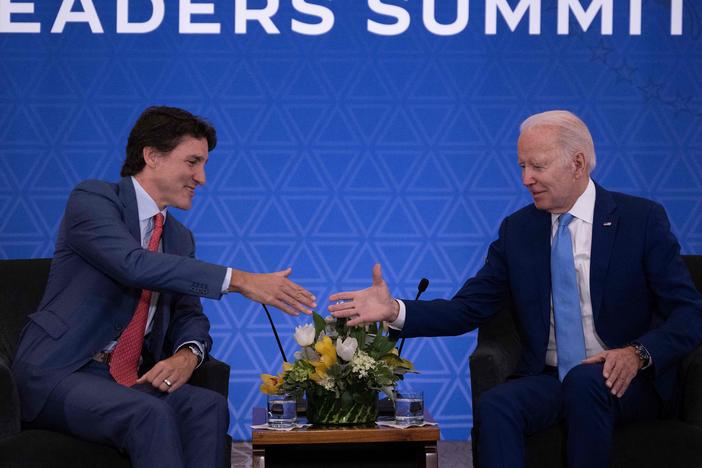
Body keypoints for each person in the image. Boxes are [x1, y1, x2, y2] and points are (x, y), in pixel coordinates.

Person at [328, 110, 702, 468]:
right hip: (553, 377)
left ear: (577, 163)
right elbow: (468, 308)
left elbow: (689, 312)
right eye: (522, 166)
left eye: (537, 166)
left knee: (587, 384)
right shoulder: (519, 230)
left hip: (628, 381)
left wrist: (637, 354)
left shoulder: (640, 220)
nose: (526, 179)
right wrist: (395, 310)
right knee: (497, 405)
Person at [11, 106, 316, 468]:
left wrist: (188, 355)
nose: (201, 177)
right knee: (147, 414)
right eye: (192, 162)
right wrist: (240, 280)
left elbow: (190, 315)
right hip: (61, 371)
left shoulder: (178, 237)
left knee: (207, 406)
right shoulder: (93, 200)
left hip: (127, 378)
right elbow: (132, 264)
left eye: (203, 165)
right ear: (152, 156)